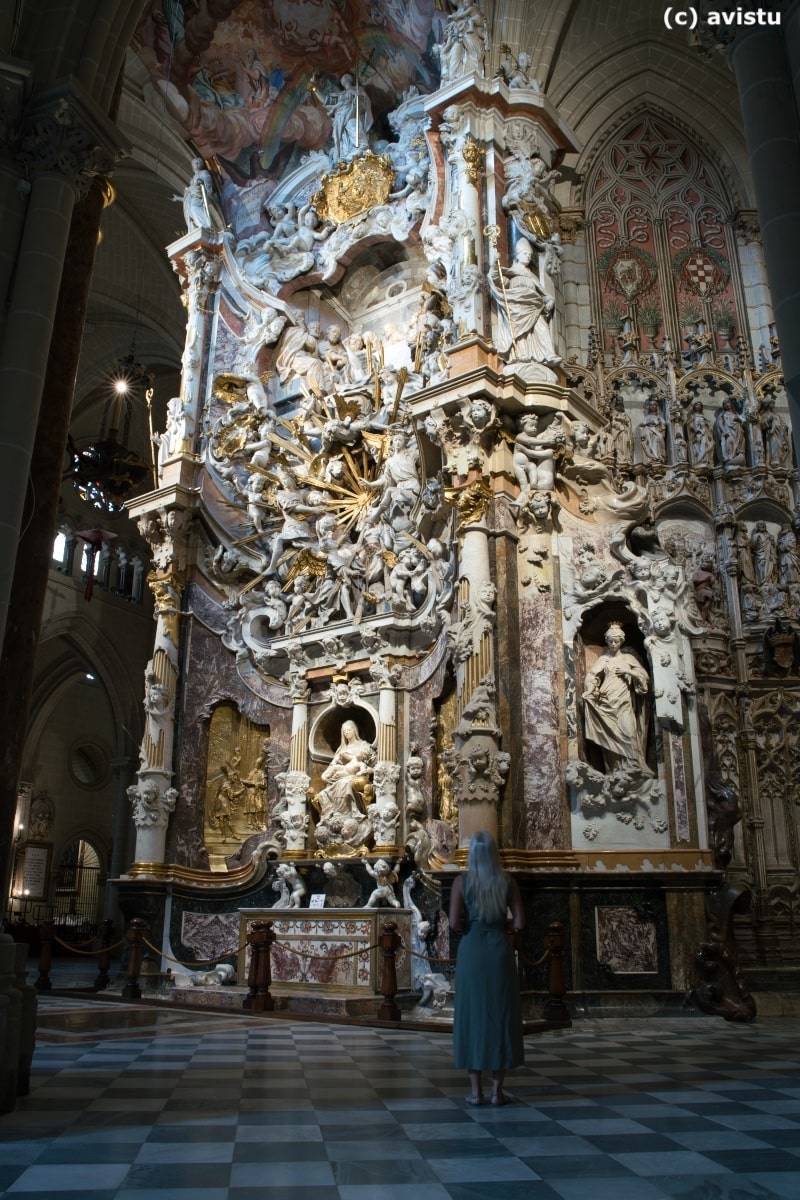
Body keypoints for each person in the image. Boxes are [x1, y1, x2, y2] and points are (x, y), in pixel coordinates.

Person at [449, 830, 525, 1105]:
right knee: (500, 1014)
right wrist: (502, 927)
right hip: (499, 951)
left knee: (472, 1016)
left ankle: (476, 1091)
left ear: (471, 855)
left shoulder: (461, 882)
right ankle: (497, 1092)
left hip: (472, 950)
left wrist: (471, 925)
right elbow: (519, 922)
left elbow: (454, 923)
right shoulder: (507, 881)